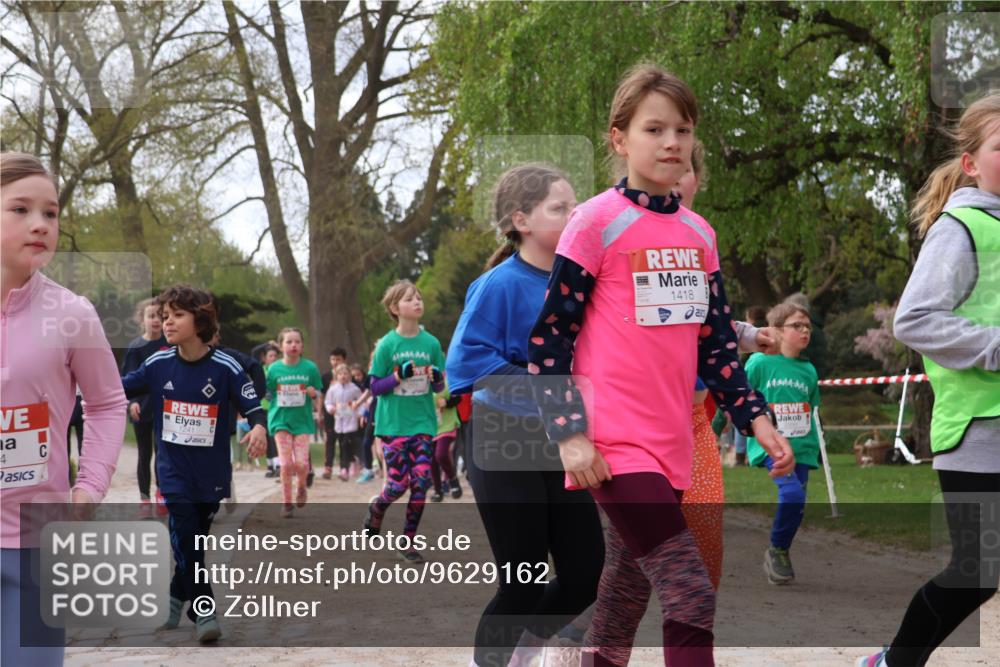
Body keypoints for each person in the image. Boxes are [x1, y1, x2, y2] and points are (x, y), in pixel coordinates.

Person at [526, 65, 793, 667]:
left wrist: (757, 420)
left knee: (623, 596)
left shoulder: (700, 234)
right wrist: (571, 437)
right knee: (690, 590)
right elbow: (548, 345)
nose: (672, 141)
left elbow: (717, 346)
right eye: (655, 128)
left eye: (683, 128)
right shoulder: (594, 223)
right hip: (613, 446)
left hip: (672, 446)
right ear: (620, 139)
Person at [858, 93, 1000, 667]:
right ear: (971, 162)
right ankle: (895, 661)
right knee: (977, 572)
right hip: (978, 432)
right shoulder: (963, 226)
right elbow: (914, 319)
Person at [447, 163, 606, 667]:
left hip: (567, 441)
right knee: (525, 575)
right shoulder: (498, 285)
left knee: (586, 575)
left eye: (576, 206)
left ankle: (518, 655)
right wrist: (554, 392)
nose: (574, 214)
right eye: (559, 208)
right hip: (501, 438)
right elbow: (466, 365)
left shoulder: (585, 284)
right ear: (521, 219)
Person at [1, 151, 127, 667]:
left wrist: (89, 487)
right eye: (21, 210)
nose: (40, 225)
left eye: (50, 213)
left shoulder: (73, 314)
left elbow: (107, 402)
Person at [121, 284, 266, 643]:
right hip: (172, 473)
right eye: (165, 316)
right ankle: (204, 610)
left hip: (212, 475)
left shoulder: (225, 366)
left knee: (192, 541)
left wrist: (260, 427)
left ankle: (174, 595)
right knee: (186, 533)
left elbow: (253, 407)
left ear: (199, 321)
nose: (167, 323)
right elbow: (114, 387)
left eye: (176, 316)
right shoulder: (156, 363)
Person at [671, 142, 778, 590]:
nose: (674, 180)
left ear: (698, 179)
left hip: (696, 423)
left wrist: (749, 336)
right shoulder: (618, 235)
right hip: (638, 423)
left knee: (704, 549)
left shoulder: (701, 237)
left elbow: (705, 322)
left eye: (684, 171)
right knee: (629, 564)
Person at [362, 280, 446, 565]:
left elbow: (438, 387)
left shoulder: (431, 343)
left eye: (419, 297)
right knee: (397, 485)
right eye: (410, 299)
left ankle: (408, 541)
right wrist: (398, 376)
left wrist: (437, 380)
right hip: (393, 426)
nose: (418, 302)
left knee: (421, 482)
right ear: (394, 308)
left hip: (422, 423)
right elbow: (374, 388)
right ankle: (377, 507)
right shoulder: (388, 344)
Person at [744, 302, 820, 585]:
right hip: (771, 444)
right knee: (792, 495)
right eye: (797, 325)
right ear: (776, 330)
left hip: (802, 447)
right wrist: (717, 424)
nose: (804, 331)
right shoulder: (760, 363)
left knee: (797, 504)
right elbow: (739, 395)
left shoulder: (809, 370)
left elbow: (811, 407)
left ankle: (780, 551)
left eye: (808, 327)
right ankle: (777, 547)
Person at [266, 327, 323, 518]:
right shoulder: (274, 369)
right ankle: (286, 503)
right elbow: (268, 393)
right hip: (280, 420)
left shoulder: (310, 368)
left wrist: (313, 394)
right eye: (289, 342)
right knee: (285, 464)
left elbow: (318, 392)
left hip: (302, 422)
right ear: (281, 345)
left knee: (300, 463)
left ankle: (301, 487)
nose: (293, 345)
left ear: (302, 345)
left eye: (297, 342)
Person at [121, 297, 169, 518]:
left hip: (165, 409)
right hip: (141, 408)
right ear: (142, 320)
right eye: (151, 316)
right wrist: (132, 403)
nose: (156, 320)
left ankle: (162, 494)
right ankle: (144, 499)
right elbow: (128, 379)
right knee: (144, 454)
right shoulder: (135, 347)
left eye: (160, 316)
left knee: (163, 453)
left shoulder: (170, 345)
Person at [323, 363, 363, 480]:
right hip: (339, 422)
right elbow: (328, 402)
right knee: (342, 445)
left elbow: (361, 401)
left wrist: (360, 413)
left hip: (351, 422)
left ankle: (346, 466)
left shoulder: (354, 388)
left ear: (349, 375)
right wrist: (331, 408)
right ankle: (346, 466)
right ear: (337, 376)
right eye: (340, 374)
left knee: (346, 444)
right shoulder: (333, 389)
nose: (343, 376)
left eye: (345, 373)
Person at [429, 380, 462, 502]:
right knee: (431, 459)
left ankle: (453, 480)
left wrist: (447, 402)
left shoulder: (448, 379)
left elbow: (459, 398)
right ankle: (438, 491)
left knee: (441, 454)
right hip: (431, 426)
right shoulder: (422, 382)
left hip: (448, 424)